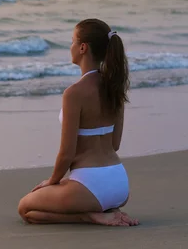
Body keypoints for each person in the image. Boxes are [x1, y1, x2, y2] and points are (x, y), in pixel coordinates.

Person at [17, 18, 139, 226]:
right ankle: (103, 209)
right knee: (52, 196)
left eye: (72, 41)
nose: (70, 46)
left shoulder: (74, 93)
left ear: (83, 48)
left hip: (91, 185)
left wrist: (52, 182)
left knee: (26, 208)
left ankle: (89, 215)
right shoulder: (114, 87)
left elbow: (67, 153)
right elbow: (114, 144)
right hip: (119, 183)